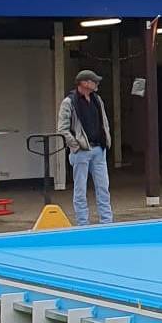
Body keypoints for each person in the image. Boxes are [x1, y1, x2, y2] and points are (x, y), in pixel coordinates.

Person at [57, 70, 112, 226]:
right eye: (94, 81)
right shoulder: (69, 102)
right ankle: (82, 223)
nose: (97, 84)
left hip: (99, 149)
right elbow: (62, 128)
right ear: (84, 83)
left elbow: (104, 121)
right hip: (81, 151)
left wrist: (106, 140)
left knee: (103, 188)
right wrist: (76, 145)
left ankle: (107, 222)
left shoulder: (97, 99)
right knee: (80, 190)